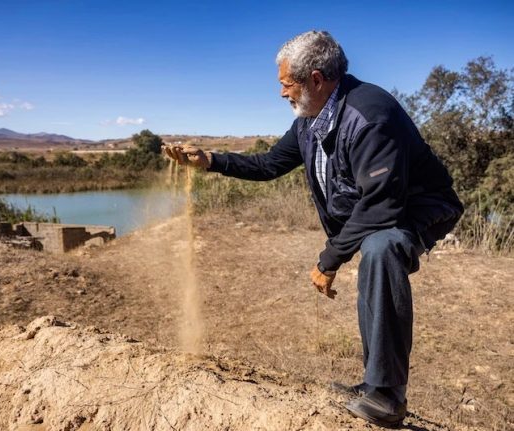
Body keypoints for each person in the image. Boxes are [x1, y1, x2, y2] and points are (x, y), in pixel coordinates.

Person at [164, 30, 463, 428]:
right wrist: (210, 160)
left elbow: (382, 204)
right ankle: (373, 383)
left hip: (420, 204)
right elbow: (269, 164)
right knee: (375, 253)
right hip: (377, 205)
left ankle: (387, 397)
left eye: (286, 83)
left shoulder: (371, 116)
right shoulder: (310, 120)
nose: (282, 93)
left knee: (382, 249)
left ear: (316, 79)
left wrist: (330, 259)